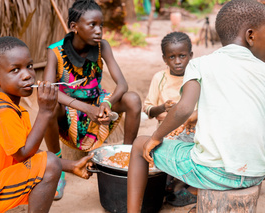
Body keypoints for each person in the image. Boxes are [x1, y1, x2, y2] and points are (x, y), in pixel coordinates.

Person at [127, 0, 265, 212]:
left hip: (213, 173)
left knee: (138, 145)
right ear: (250, 35)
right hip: (257, 173)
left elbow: (183, 109)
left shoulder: (201, 64)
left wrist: (155, 137)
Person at [0, 36, 93, 213]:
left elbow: (29, 152)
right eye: (15, 70)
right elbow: (23, 155)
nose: (28, 74)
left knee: (48, 162)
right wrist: (45, 112)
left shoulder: (8, 105)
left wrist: (71, 166)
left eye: (29, 66)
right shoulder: (1, 111)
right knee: (49, 163)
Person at [43, 0, 141, 199]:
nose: (99, 30)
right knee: (50, 107)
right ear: (74, 27)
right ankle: (58, 169)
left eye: (101, 25)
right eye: (92, 25)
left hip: (98, 103)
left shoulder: (101, 46)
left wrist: (107, 103)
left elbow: (122, 84)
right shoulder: (55, 52)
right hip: (69, 109)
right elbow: (49, 90)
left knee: (133, 100)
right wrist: (85, 109)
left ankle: (126, 156)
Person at [143, 31, 197, 206]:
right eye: (172, 57)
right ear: (164, 59)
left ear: (191, 55)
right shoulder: (160, 78)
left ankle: (190, 185)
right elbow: (149, 109)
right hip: (167, 132)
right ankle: (169, 181)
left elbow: (202, 109)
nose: (178, 61)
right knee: (161, 150)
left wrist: (190, 116)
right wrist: (162, 108)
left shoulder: (197, 78)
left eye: (182, 56)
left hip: (192, 131)